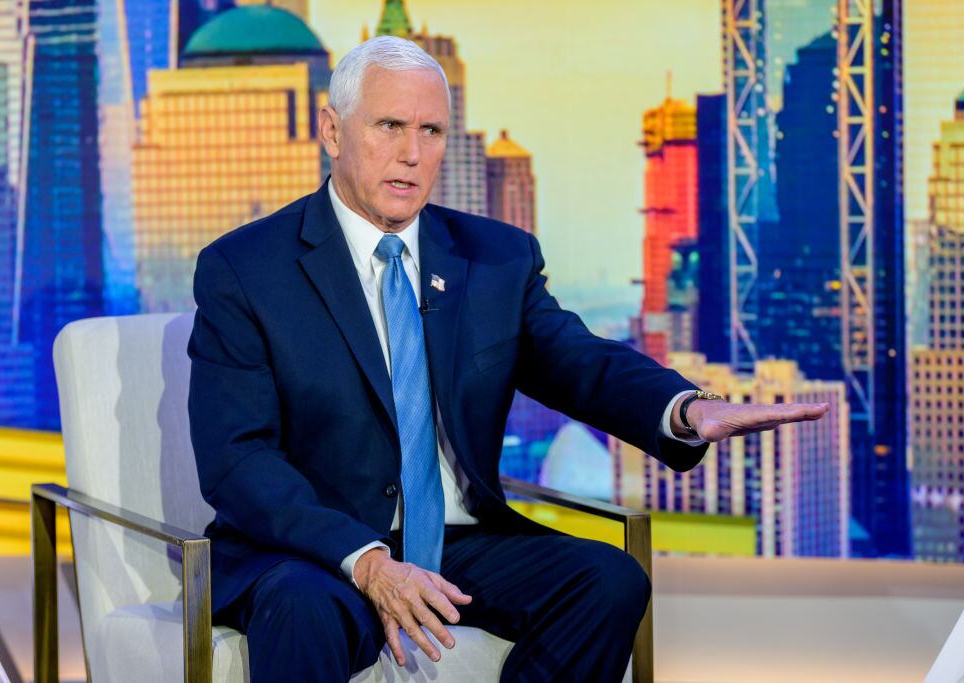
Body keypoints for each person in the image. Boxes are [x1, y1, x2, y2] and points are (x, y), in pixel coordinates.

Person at [187, 35, 829, 682]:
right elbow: (237, 459)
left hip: (461, 540)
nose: (412, 154)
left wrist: (684, 409)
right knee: (303, 609)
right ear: (333, 130)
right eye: (389, 126)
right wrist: (368, 560)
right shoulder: (247, 271)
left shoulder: (494, 258)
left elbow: (578, 362)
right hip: (318, 547)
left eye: (431, 130)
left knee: (609, 581)